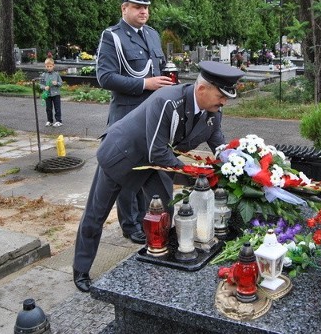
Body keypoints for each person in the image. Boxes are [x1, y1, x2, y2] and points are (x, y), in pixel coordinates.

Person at [72, 61, 244, 292]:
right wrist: (193, 176)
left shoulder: (213, 113)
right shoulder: (168, 101)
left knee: (165, 209)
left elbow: (219, 146)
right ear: (202, 89)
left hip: (155, 163)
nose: (224, 101)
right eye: (221, 95)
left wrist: (239, 165)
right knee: (96, 215)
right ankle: (81, 269)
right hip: (122, 155)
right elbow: (158, 151)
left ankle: (157, 252)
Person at [96, 0, 175, 244]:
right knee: (127, 173)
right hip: (127, 116)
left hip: (152, 115)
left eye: (146, 7)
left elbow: (160, 68)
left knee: (149, 169)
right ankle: (130, 226)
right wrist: (145, 83)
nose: (144, 12)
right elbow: (105, 77)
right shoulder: (113, 36)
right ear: (124, 8)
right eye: (138, 7)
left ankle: (147, 218)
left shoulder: (152, 35)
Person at [39, 57, 63, 127]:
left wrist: (56, 83)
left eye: (50, 66)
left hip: (56, 94)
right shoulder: (43, 75)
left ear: (53, 66)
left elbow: (61, 83)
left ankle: (59, 121)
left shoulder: (56, 74)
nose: (49, 68)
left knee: (57, 108)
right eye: (47, 66)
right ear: (45, 66)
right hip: (48, 94)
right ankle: (50, 121)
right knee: (48, 108)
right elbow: (40, 84)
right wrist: (44, 87)